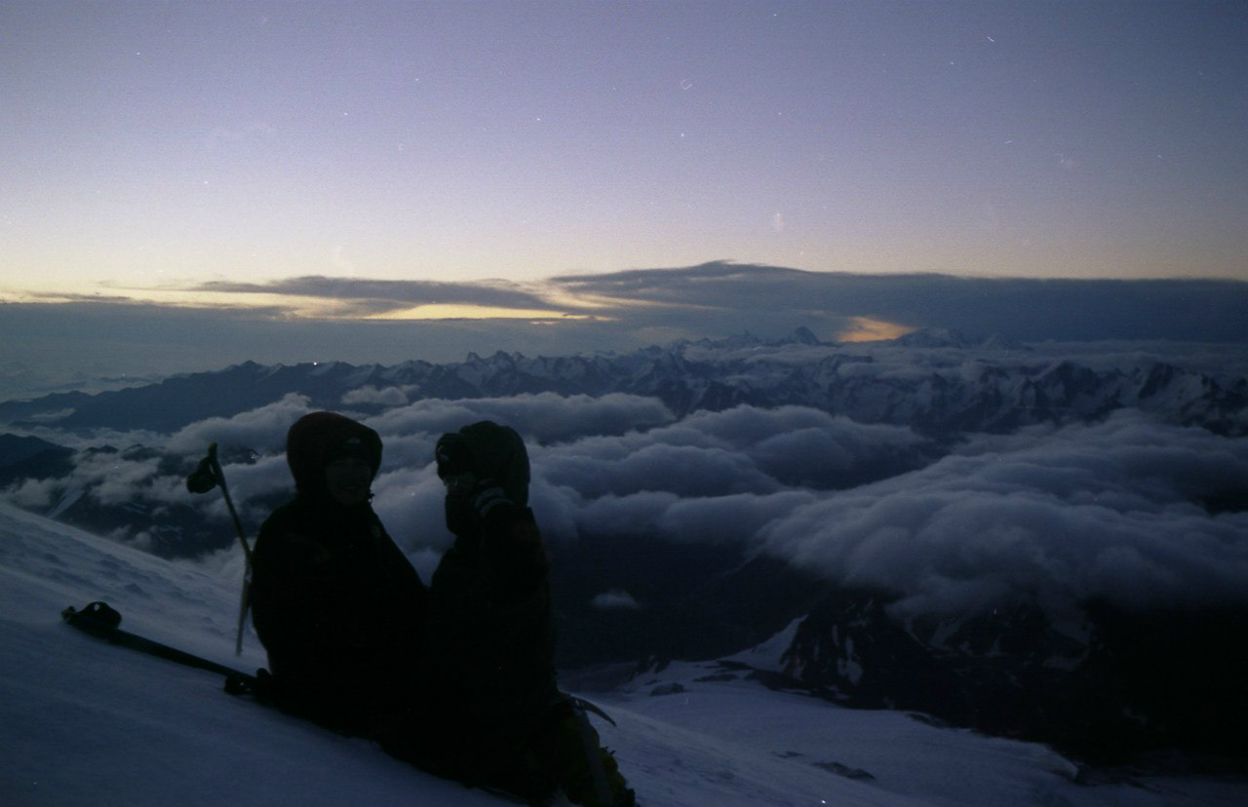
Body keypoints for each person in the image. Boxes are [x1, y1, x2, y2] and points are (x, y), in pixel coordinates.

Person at [421, 420, 634, 807]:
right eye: (450, 483)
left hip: (493, 724)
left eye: (465, 481)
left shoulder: (493, 554)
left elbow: (512, 595)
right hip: (490, 730)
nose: (455, 492)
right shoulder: (482, 551)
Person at [249, 411, 427, 737]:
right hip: (334, 695)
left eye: (361, 465)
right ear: (317, 470)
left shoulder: (361, 521)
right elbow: (283, 628)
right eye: (340, 465)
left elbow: (408, 593)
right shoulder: (291, 531)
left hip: (378, 682)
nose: (354, 475)